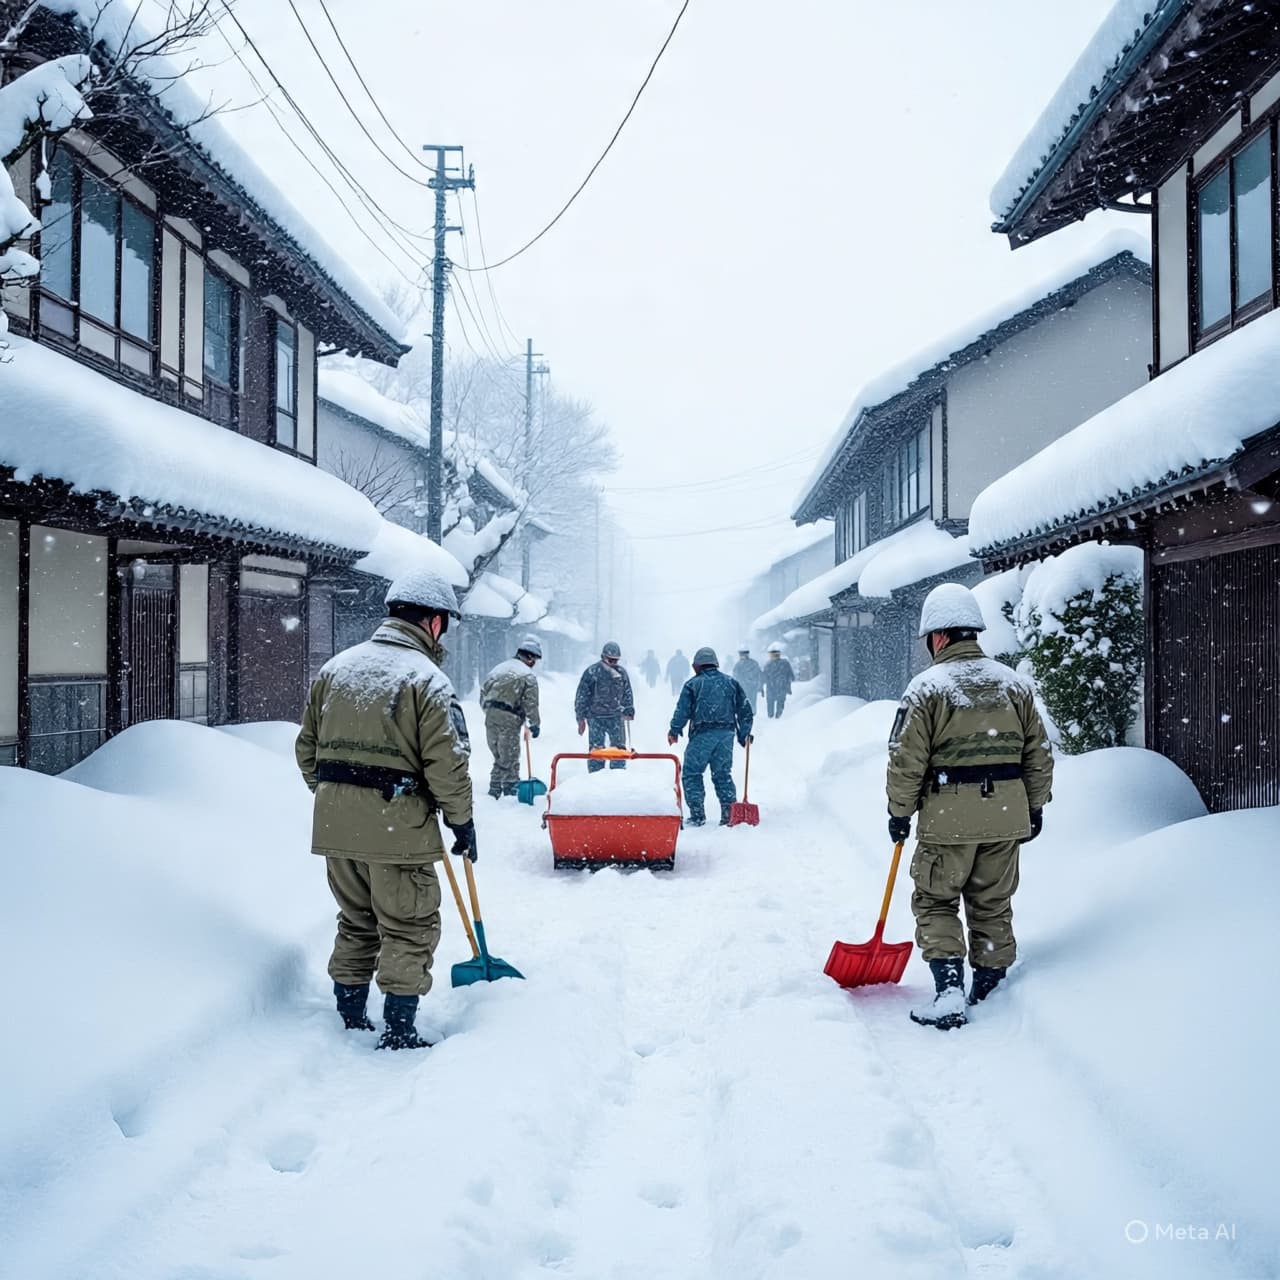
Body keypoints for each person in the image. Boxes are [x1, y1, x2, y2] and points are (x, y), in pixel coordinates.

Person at [296, 568, 477, 1051]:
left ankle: (350, 1015)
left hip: (336, 827)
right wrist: (460, 819)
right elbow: (447, 763)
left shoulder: (335, 670)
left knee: (356, 919)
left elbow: (306, 749)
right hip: (398, 828)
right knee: (409, 925)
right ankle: (399, 1029)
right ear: (434, 622)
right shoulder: (427, 681)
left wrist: (338, 797)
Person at [886, 582, 1054, 1031]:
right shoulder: (1014, 685)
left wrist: (900, 811)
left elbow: (905, 759)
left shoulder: (927, 689)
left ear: (938, 637)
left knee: (936, 900)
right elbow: (1039, 753)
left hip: (949, 818)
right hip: (1006, 816)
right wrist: (1034, 805)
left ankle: (949, 992)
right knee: (992, 901)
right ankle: (991, 987)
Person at [667, 646, 754, 827]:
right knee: (722, 774)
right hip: (726, 736)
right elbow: (745, 710)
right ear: (715, 664)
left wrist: (674, 730)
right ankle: (729, 814)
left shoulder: (692, 684)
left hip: (702, 735)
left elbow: (683, 710)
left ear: (697, 665)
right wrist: (744, 733)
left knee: (692, 773)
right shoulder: (731, 683)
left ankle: (697, 815)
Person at [479, 635, 542, 799]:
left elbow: (483, 694)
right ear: (529, 658)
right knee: (510, 756)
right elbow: (531, 703)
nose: (534, 664)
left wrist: (492, 711)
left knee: (499, 755)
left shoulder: (498, 669)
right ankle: (510, 789)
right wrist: (534, 723)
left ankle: (495, 789)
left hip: (491, 717)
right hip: (510, 718)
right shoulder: (527, 675)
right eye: (534, 660)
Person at [575, 641, 635, 771]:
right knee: (596, 752)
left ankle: (618, 775)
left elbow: (627, 692)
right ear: (603, 657)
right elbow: (582, 695)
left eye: (616, 660)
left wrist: (629, 709)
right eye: (610, 660)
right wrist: (580, 718)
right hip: (595, 717)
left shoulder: (621, 673)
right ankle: (595, 776)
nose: (613, 663)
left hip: (616, 717)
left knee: (619, 751)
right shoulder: (592, 672)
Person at [762, 643, 794, 718]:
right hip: (778, 688)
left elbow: (764, 678)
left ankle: (775, 718)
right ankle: (776, 718)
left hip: (774, 688)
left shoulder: (768, 664)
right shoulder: (784, 663)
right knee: (778, 705)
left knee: (773, 705)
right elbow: (791, 675)